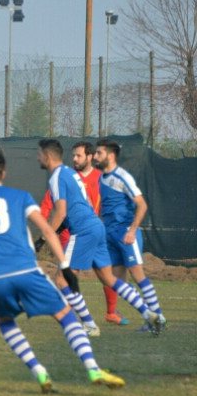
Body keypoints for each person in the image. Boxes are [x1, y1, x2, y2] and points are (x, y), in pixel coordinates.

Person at [0, 150, 125, 393]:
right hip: (26, 270)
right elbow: (48, 232)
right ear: (3, 173)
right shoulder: (21, 197)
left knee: (6, 324)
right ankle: (92, 368)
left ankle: (39, 372)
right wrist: (65, 266)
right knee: (66, 315)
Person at [37, 138, 162, 336]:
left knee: (62, 280)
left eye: (39, 155)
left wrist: (44, 237)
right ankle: (148, 314)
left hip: (84, 230)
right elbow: (83, 202)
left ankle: (90, 325)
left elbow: (60, 212)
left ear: (48, 156)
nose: (38, 158)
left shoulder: (57, 177)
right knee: (108, 278)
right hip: (97, 226)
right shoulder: (71, 174)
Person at [36, 141, 126, 326]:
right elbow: (50, 202)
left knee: (103, 273)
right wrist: (45, 227)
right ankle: (78, 318)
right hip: (70, 232)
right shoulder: (68, 175)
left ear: (90, 157)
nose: (74, 159)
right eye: (74, 155)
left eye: (78, 155)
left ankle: (108, 313)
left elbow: (109, 203)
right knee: (67, 276)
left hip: (91, 229)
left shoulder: (101, 178)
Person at [94, 138, 167, 332]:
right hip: (110, 235)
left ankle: (157, 316)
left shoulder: (122, 176)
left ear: (110, 156)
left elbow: (142, 205)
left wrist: (132, 230)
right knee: (117, 282)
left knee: (138, 276)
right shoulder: (102, 178)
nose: (95, 156)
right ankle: (149, 316)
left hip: (126, 233)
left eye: (99, 153)